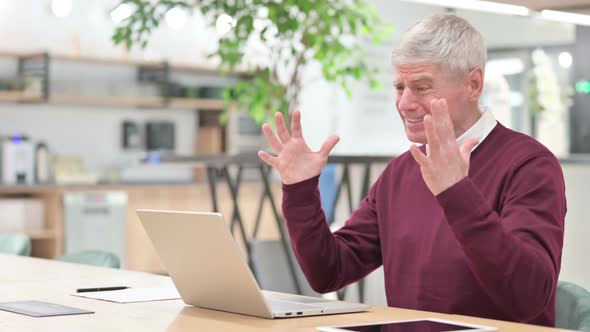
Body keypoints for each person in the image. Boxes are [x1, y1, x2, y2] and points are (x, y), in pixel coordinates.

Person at [257, 14, 566, 327]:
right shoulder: (401, 172)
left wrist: (457, 193)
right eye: (399, 87)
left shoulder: (529, 165)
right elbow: (329, 272)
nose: (404, 103)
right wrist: (300, 191)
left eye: (422, 87)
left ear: (473, 84)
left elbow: (529, 296)